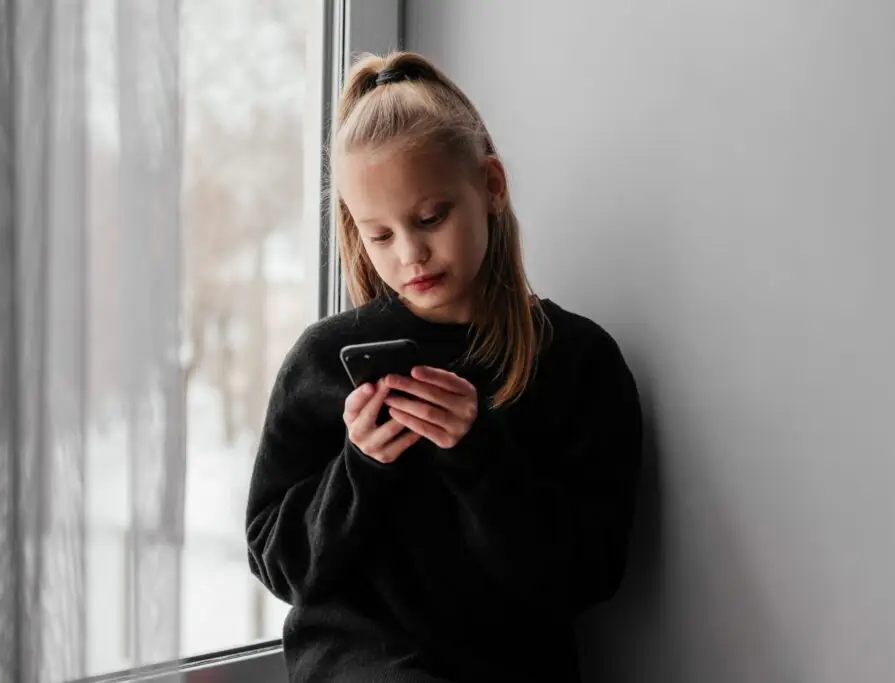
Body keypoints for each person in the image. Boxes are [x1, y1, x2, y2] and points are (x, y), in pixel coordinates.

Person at [245, 51, 643, 683]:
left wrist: (479, 454)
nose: (411, 254)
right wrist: (361, 467)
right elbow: (277, 562)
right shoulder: (323, 362)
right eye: (380, 235)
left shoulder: (575, 360)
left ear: (491, 186)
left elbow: (586, 576)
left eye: (431, 218)